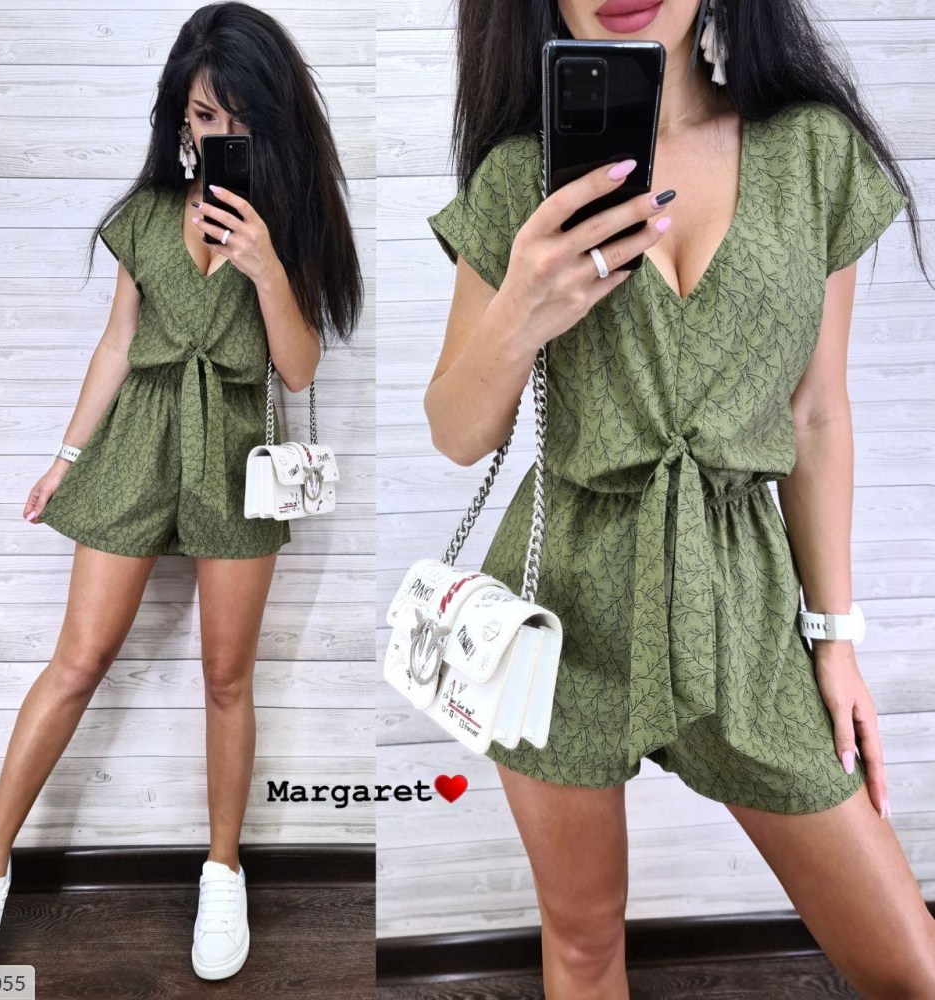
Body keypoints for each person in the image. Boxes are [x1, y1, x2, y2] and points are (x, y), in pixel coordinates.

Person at [423, 0, 934, 996]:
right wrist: (522, 306)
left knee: (908, 965)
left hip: (743, 600)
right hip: (558, 603)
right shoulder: (521, 176)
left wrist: (834, 639)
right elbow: (456, 430)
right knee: (581, 942)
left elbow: (816, 416)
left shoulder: (812, 152)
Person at [0, 2, 361, 992]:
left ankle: (223, 870)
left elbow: (298, 369)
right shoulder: (142, 215)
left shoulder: (289, 225)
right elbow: (117, 345)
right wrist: (66, 457)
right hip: (138, 442)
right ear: (179, 117)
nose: (220, 136)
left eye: (239, 118)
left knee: (227, 677)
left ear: (271, 118)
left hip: (236, 455)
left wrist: (263, 266)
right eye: (205, 117)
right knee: (78, 661)